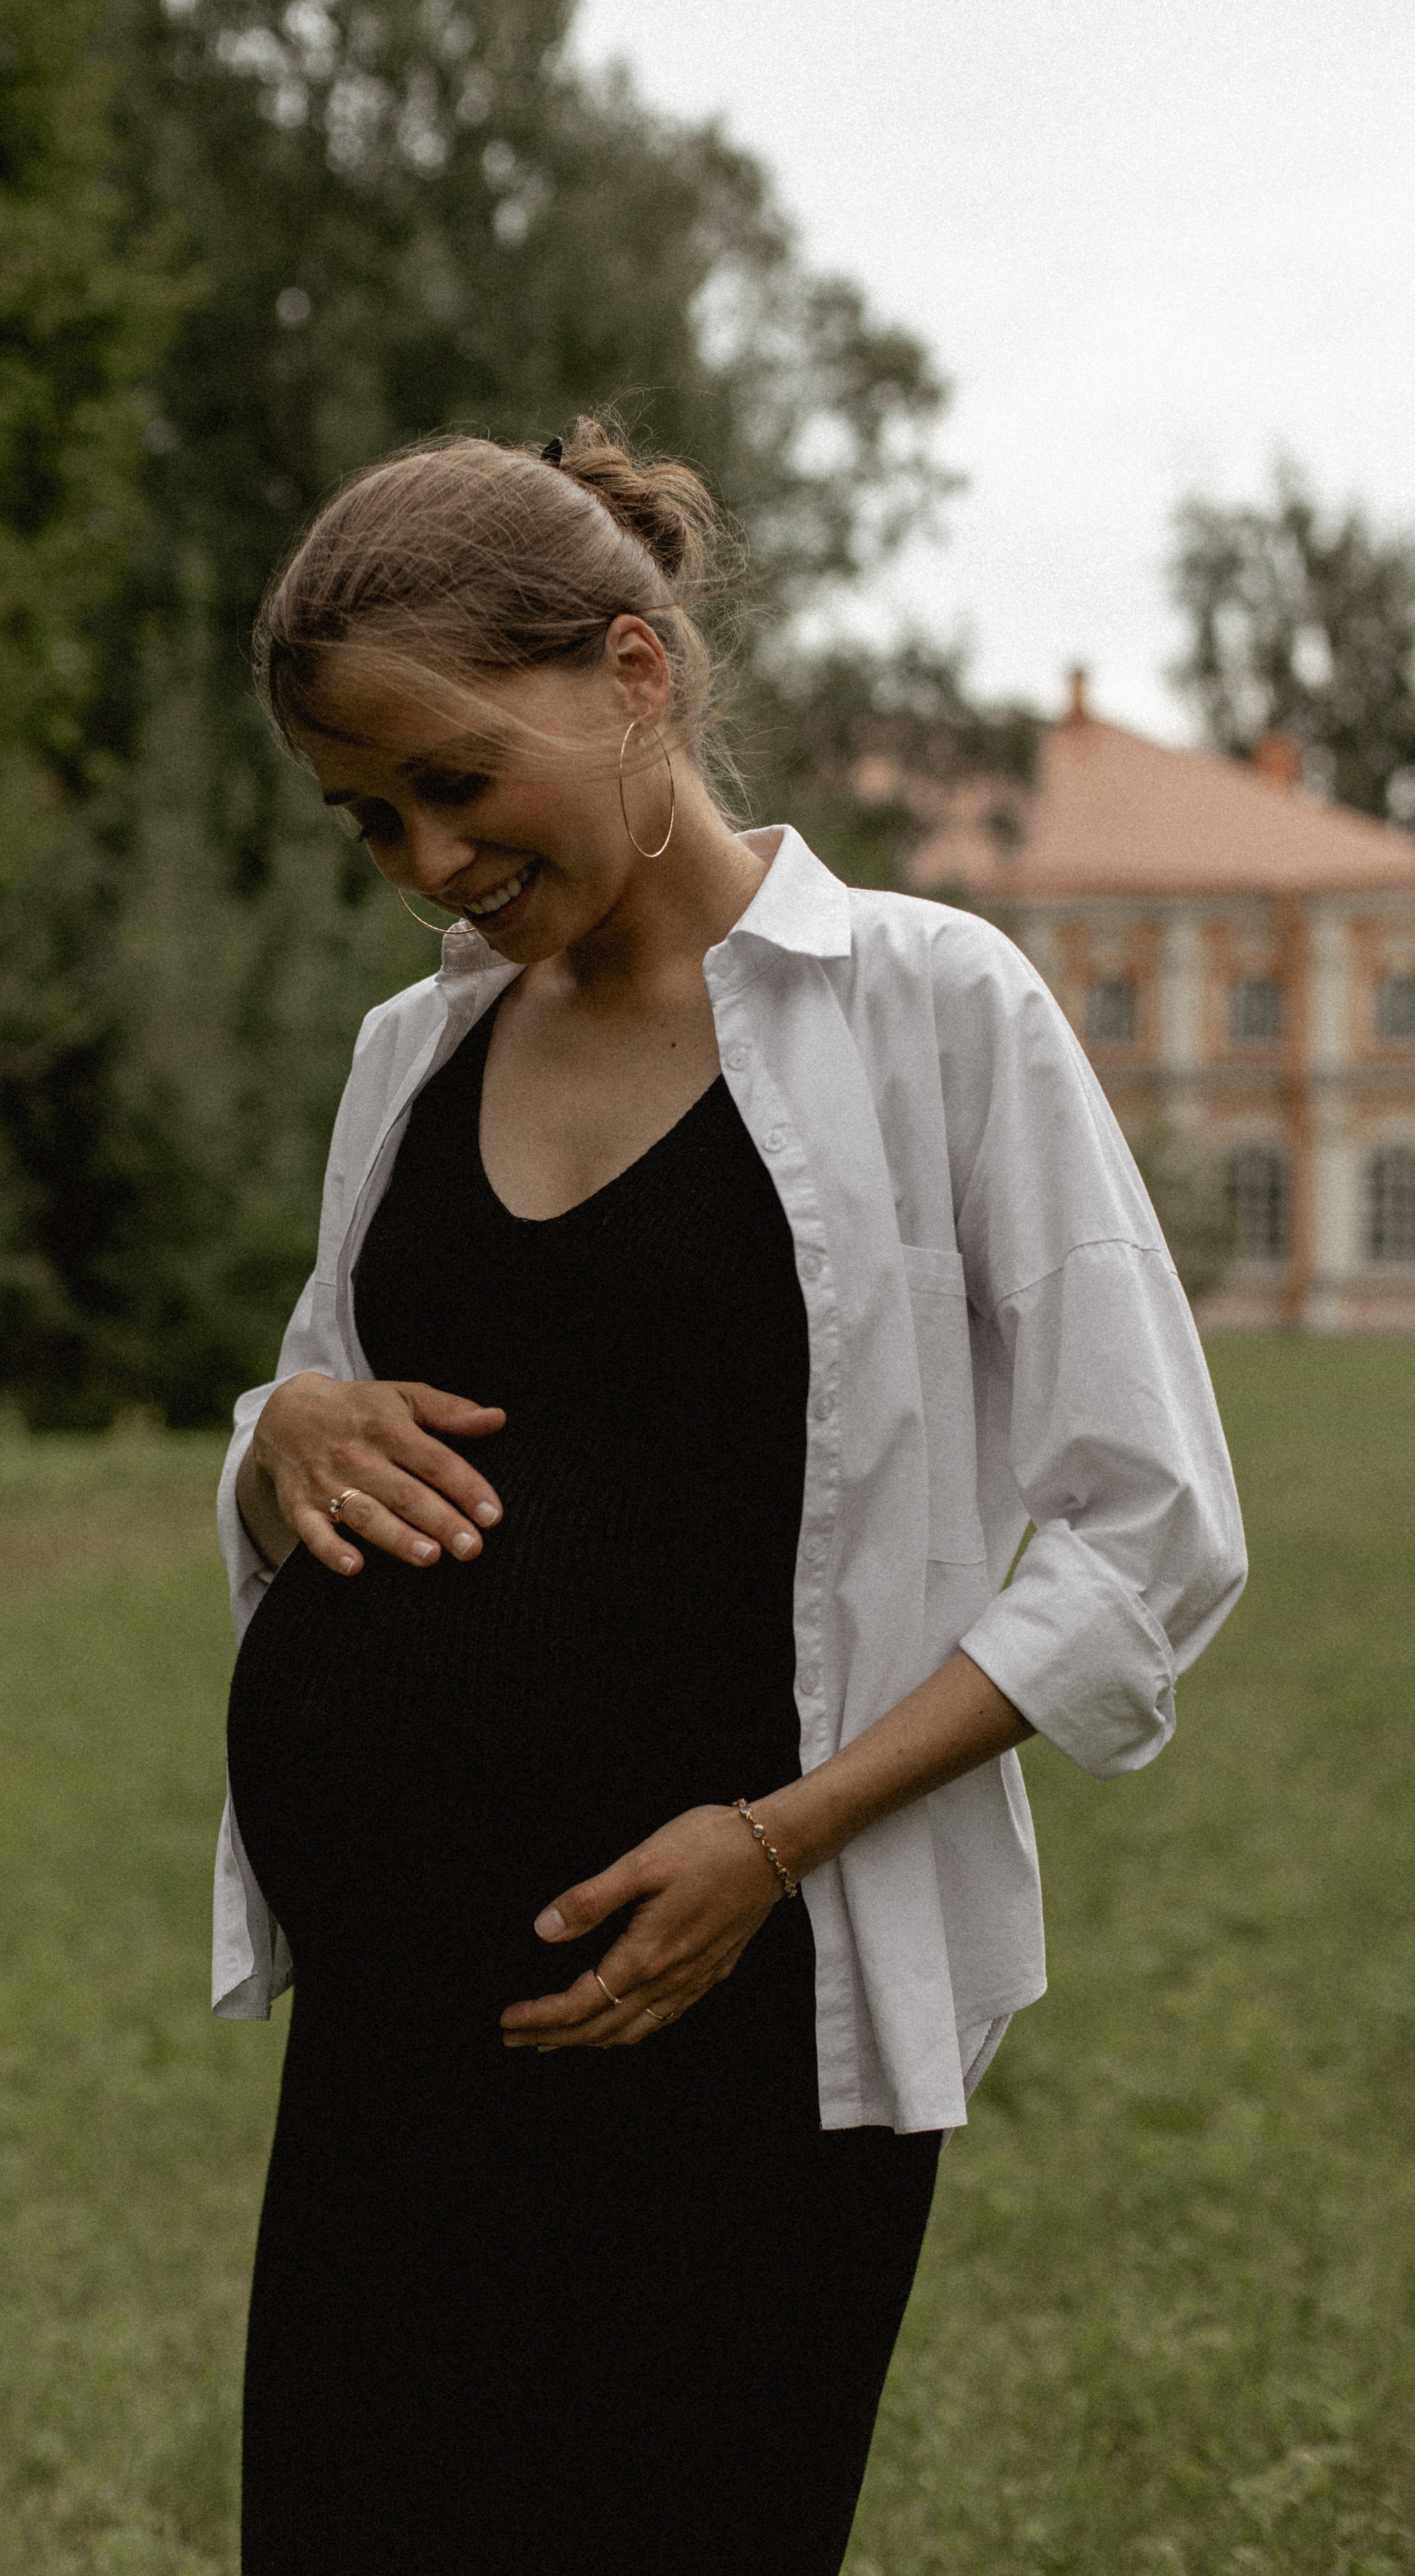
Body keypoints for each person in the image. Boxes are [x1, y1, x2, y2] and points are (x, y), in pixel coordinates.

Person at [211, 418, 1246, 2575]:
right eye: (365, 816)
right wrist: (273, 1434)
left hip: (737, 2019)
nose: (421, 858)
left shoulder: (934, 1013)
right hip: (400, 2037)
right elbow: (335, 1413)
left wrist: (775, 1844)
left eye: (455, 783)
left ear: (629, 672)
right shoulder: (414, 1055)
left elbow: (1155, 1526)